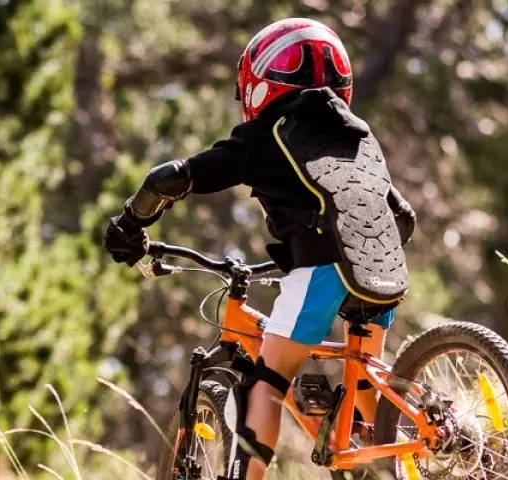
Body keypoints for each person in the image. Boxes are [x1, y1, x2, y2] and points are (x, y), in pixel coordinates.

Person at [99, 18, 416, 480]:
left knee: (267, 383)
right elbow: (403, 217)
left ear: (260, 80)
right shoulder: (357, 137)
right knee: (365, 378)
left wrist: (131, 224)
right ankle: (389, 461)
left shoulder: (266, 135)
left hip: (322, 268)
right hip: (379, 269)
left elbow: (170, 177)